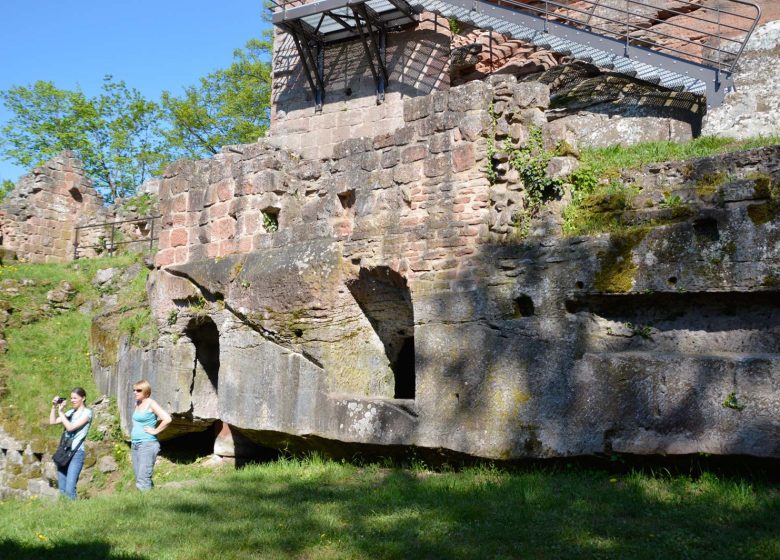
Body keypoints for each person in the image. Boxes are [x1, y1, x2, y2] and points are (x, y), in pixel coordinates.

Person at [49, 387, 92, 500]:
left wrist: (61, 412)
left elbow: (70, 427)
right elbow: (52, 421)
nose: (72, 400)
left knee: (69, 489)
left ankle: (75, 513)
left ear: (83, 398)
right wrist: (54, 407)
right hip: (64, 452)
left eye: (75, 398)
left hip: (77, 453)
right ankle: (65, 514)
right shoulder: (70, 412)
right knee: (62, 489)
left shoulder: (87, 413)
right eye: (71, 398)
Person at [131, 380, 171, 491]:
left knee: (143, 478)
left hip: (147, 444)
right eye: (134, 390)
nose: (135, 392)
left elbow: (167, 419)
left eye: (138, 390)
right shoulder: (137, 403)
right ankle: (151, 498)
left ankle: (146, 505)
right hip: (135, 444)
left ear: (146, 392)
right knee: (139, 476)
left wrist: (155, 431)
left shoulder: (151, 403)